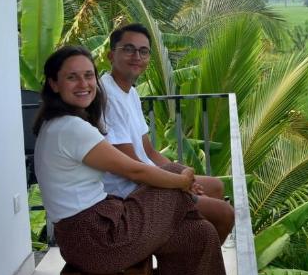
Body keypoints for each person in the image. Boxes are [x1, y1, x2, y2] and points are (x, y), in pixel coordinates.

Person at [33, 45, 234, 275]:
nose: (84, 83)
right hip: (100, 239)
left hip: (86, 238)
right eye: (72, 77)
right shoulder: (71, 128)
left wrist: (180, 183)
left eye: (88, 75)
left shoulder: (58, 124)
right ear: (53, 84)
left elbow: (143, 161)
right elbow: (135, 169)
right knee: (174, 178)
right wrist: (183, 181)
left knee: (200, 234)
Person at [101, 23, 235, 245]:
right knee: (224, 214)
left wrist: (185, 177)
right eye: (128, 49)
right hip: (129, 191)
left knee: (216, 187)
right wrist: (178, 182)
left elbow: (149, 151)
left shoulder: (130, 93)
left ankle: (191, 248)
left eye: (143, 51)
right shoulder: (107, 96)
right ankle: (194, 256)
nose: (137, 56)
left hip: (147, 178)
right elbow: (132, 167)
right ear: (110, 55)